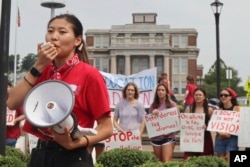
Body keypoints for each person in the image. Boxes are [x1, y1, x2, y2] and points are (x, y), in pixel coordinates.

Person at [7, 14, 113, 167]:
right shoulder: (42, 70)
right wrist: (38, 66)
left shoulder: (90, 75)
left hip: (73, 156)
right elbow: (11, 102)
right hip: (41, 153)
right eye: (50, 31)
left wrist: (76, 144)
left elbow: (106, 127)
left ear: (77, 40)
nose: (54, 37)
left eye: (62, 32)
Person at [148, 83, 179, 162]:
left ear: (166, 92)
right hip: (156, 138)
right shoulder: (153, 106)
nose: (160, 92)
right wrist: (152, 115)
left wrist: (170, 130)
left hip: (168, 137)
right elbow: (149, 122)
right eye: (158, 90)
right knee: (158, 162)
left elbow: (177, 120)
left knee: (166, 161)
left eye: (162, 90)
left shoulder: (172, 104)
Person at [183, 88, 214, 160]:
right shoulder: (189, 109)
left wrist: (207, 127)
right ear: (193, 96)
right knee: (189, 159)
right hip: (191, 137)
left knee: (205, 159)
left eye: (200, 95)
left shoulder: (209, 110)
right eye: (196, 95)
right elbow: (184, 123)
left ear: (204, 97)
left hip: (205, 137)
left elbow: (214, 124)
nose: (198, 96)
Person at [214, 87, 240, 164]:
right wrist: (221, 134)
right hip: (220, 138)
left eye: (225, 95)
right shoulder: (219, 110)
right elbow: (215, 125)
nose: (223, 97)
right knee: (221, 162)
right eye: (221, 95)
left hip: (233, 138)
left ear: (231, 97)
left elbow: (239, 124)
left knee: (229, 161)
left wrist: (228, 134)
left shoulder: (237, 109)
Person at [6, 81, 25, 147]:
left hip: (11, 135)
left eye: (7, 87)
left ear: (11, 88)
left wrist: (15, 120)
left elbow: (24, 115)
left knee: (9, 153)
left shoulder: (15, 100)